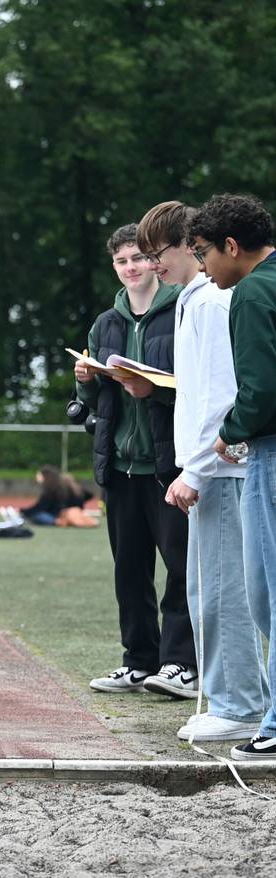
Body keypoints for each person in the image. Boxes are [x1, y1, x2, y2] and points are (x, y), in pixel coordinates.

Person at [136, 200, 267, 745]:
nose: (151, 265)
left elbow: (223, 391)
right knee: (207, 590)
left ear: (191, 247)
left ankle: (238, 702)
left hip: (223, 471)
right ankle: (237, 696)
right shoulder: (194, 300)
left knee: (223, 590)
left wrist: (198, 467)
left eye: (158, 253)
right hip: (213, 467)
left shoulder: (214, 302)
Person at [76, 223, 196, 699]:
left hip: (169, 465)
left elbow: (199, 383)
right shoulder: (106, 323)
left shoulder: (184, 310)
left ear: (156, 262)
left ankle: (180, 664)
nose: (131, 268)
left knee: (181, 568)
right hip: (120, 467)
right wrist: (85, 378)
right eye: (122, 261)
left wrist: (155, 390)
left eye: (139, 258)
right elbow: (90, 399)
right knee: (129, 570)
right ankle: (138, 661)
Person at [186, 194, 276, 760]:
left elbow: (261, 389)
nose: (202, 268)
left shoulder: (252, 291)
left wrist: (230, 431)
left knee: (266, 592)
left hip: (269, 450)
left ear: (232, 246)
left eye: (203, 254)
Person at [16, 465, 94, 527]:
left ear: (45, 476)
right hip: (74, 512)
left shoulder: (51, 489)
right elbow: (89, 495)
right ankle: (67, 520)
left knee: (37, 515)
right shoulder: (70, 486)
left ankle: (59, 522)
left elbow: (40, 507)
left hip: (59, 515)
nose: (37, 477)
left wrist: (23, 511)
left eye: (39, 475)